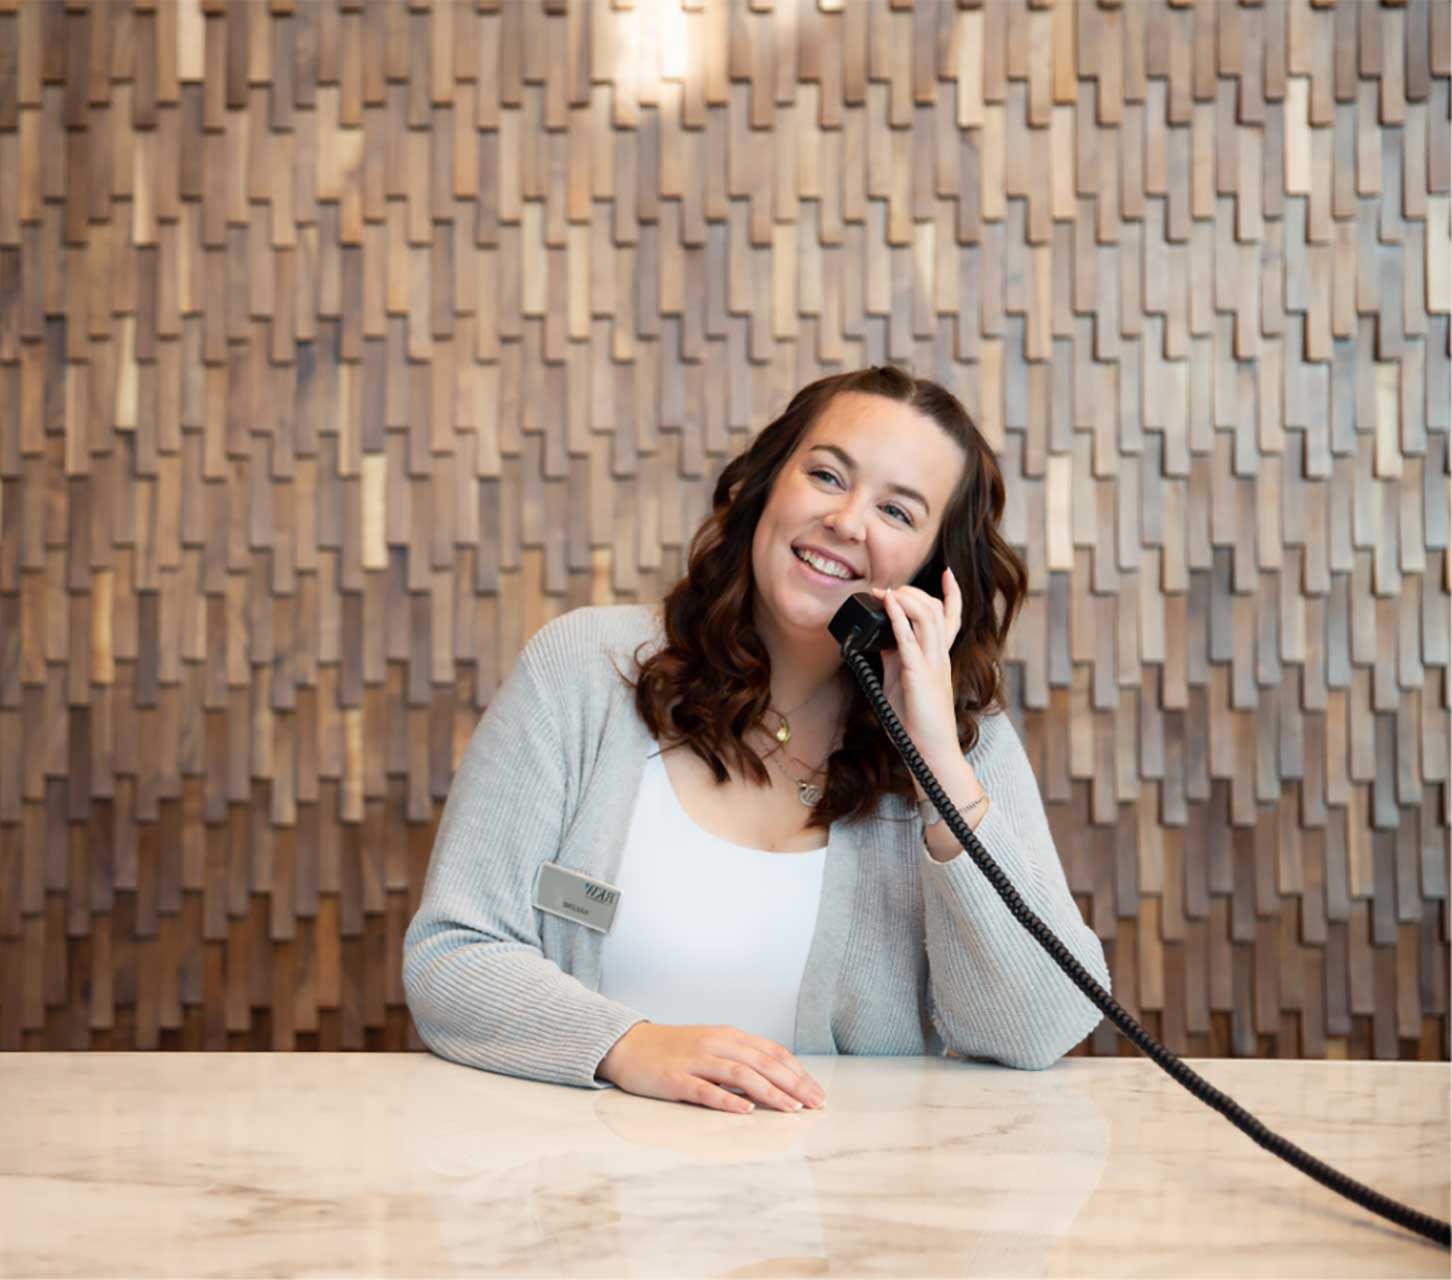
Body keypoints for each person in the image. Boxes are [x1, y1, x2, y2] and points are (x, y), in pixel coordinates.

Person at [402, 365, 1109, 1116]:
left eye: (898, 513)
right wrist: (631, 1046)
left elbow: (1039, 1028)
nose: (847, 520)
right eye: (827, 475)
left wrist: (938, 766)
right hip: (576, 1199)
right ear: (768, 484)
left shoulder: (960, 740)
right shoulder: (582, 669)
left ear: (934, 572)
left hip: (840, 1213)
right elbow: (454, 953)